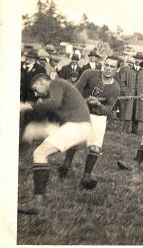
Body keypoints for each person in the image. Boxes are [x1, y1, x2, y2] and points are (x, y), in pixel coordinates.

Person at [18, 73, 92, 214]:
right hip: (76, 126)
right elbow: (52, 108)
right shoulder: (57, 89)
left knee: (39, 153)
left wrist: (28, 105)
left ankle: (37, 203)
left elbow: (54, 103)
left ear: (42, 82)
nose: (35, 93)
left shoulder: (56, 83)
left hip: (77, 126)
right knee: (32, 130)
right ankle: (19, 157)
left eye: (35, 89)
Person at [57, 56, 121, 189]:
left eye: (112, 66)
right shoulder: (89, 74)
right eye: (107, 65)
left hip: (98, 116)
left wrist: (98, 104)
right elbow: (75, 90)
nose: (108, 69)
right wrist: (84, 100)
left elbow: (108, 111)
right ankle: (66, 165)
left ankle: (86, 175)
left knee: (95, 146)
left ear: (117, 69)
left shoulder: (115, 87)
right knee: (75, 140)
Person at [119, 57, 143, 134]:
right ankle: (125, 129)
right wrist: (125, 91)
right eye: (136, 58)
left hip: (140, 95)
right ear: (134, 60)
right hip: (130, 95)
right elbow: (122, 82)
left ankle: (134, 130)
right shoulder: (127, 70)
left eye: (139, 59)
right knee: (128, 111)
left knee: (137, 111)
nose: (137, 60)